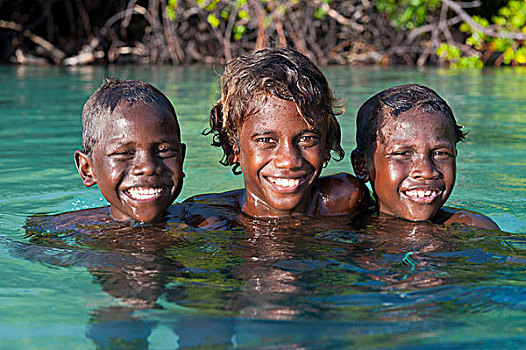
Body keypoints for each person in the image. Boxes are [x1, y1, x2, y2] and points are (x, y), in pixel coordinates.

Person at [183, 47, 370, 227]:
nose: (288, 161)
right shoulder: (205, 217)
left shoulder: (343, 201)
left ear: (328, 144)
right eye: (266, 140)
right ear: (233, 148)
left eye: (307, 139)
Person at [350, 83, 499, 230]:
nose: (427, 172)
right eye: (403, 154)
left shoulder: (473, 230)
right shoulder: (343, 223)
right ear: (361, 165)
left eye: (441, 153)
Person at [74, 77, 186, 224]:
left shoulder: (210, 221)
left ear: (182, 158)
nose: (148, 167)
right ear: (87, 169)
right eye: (124, 153)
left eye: (164, 150)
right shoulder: (58, 234)